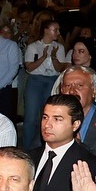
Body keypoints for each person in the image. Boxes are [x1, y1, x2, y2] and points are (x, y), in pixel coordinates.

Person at [22, 19, 70, 150]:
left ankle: (42, 147)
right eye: (55, 30)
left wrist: (53, 56)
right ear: (46, 30)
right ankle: (26, 149)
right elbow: (29, 67)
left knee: (48, 116)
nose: (58, 32)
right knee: (31, 117)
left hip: (52, 80)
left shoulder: (59, 47)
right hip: (35, 80)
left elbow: (60, 68)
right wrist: (43, 57)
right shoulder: (33, 47)